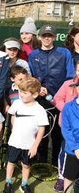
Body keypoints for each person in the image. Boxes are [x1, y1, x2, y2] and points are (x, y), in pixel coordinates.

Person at [28, 24, 75, 165]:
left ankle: (56, 163)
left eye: (49, 35)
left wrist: (60, 96)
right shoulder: (33, 54)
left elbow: (70, 77)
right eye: (44, 35)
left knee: (57, 134)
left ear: (54, 37)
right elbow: (30, 77)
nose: (47, 38)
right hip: (39, 100)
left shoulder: (64, 53)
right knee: (41, 132)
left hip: (59, 101)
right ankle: (39, 162)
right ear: (40, 37)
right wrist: (38, 88)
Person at [3, 77, 49, 193]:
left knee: (26, 165)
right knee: (11, 162)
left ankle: (24, 184)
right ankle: (8, 183)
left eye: (24, 92)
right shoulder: (17, 103)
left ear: (34, 95)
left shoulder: (40, 110)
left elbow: (41, 129)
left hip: (29, 145)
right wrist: (14, 128)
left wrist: (35, 146)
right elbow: (12, 115)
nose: (21, 94)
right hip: (14, 142)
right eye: (20, 91)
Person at [52, 60, 79, 192]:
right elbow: (57, 99)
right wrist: (68, 111)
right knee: (65, 153)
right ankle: (62, 177)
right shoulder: (68, 84)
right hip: (67, 128)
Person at [60, 82, 79, 192]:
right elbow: (66, 130)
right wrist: (76, 147)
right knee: (69, 177)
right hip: (73, 151)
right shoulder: (68, 107)